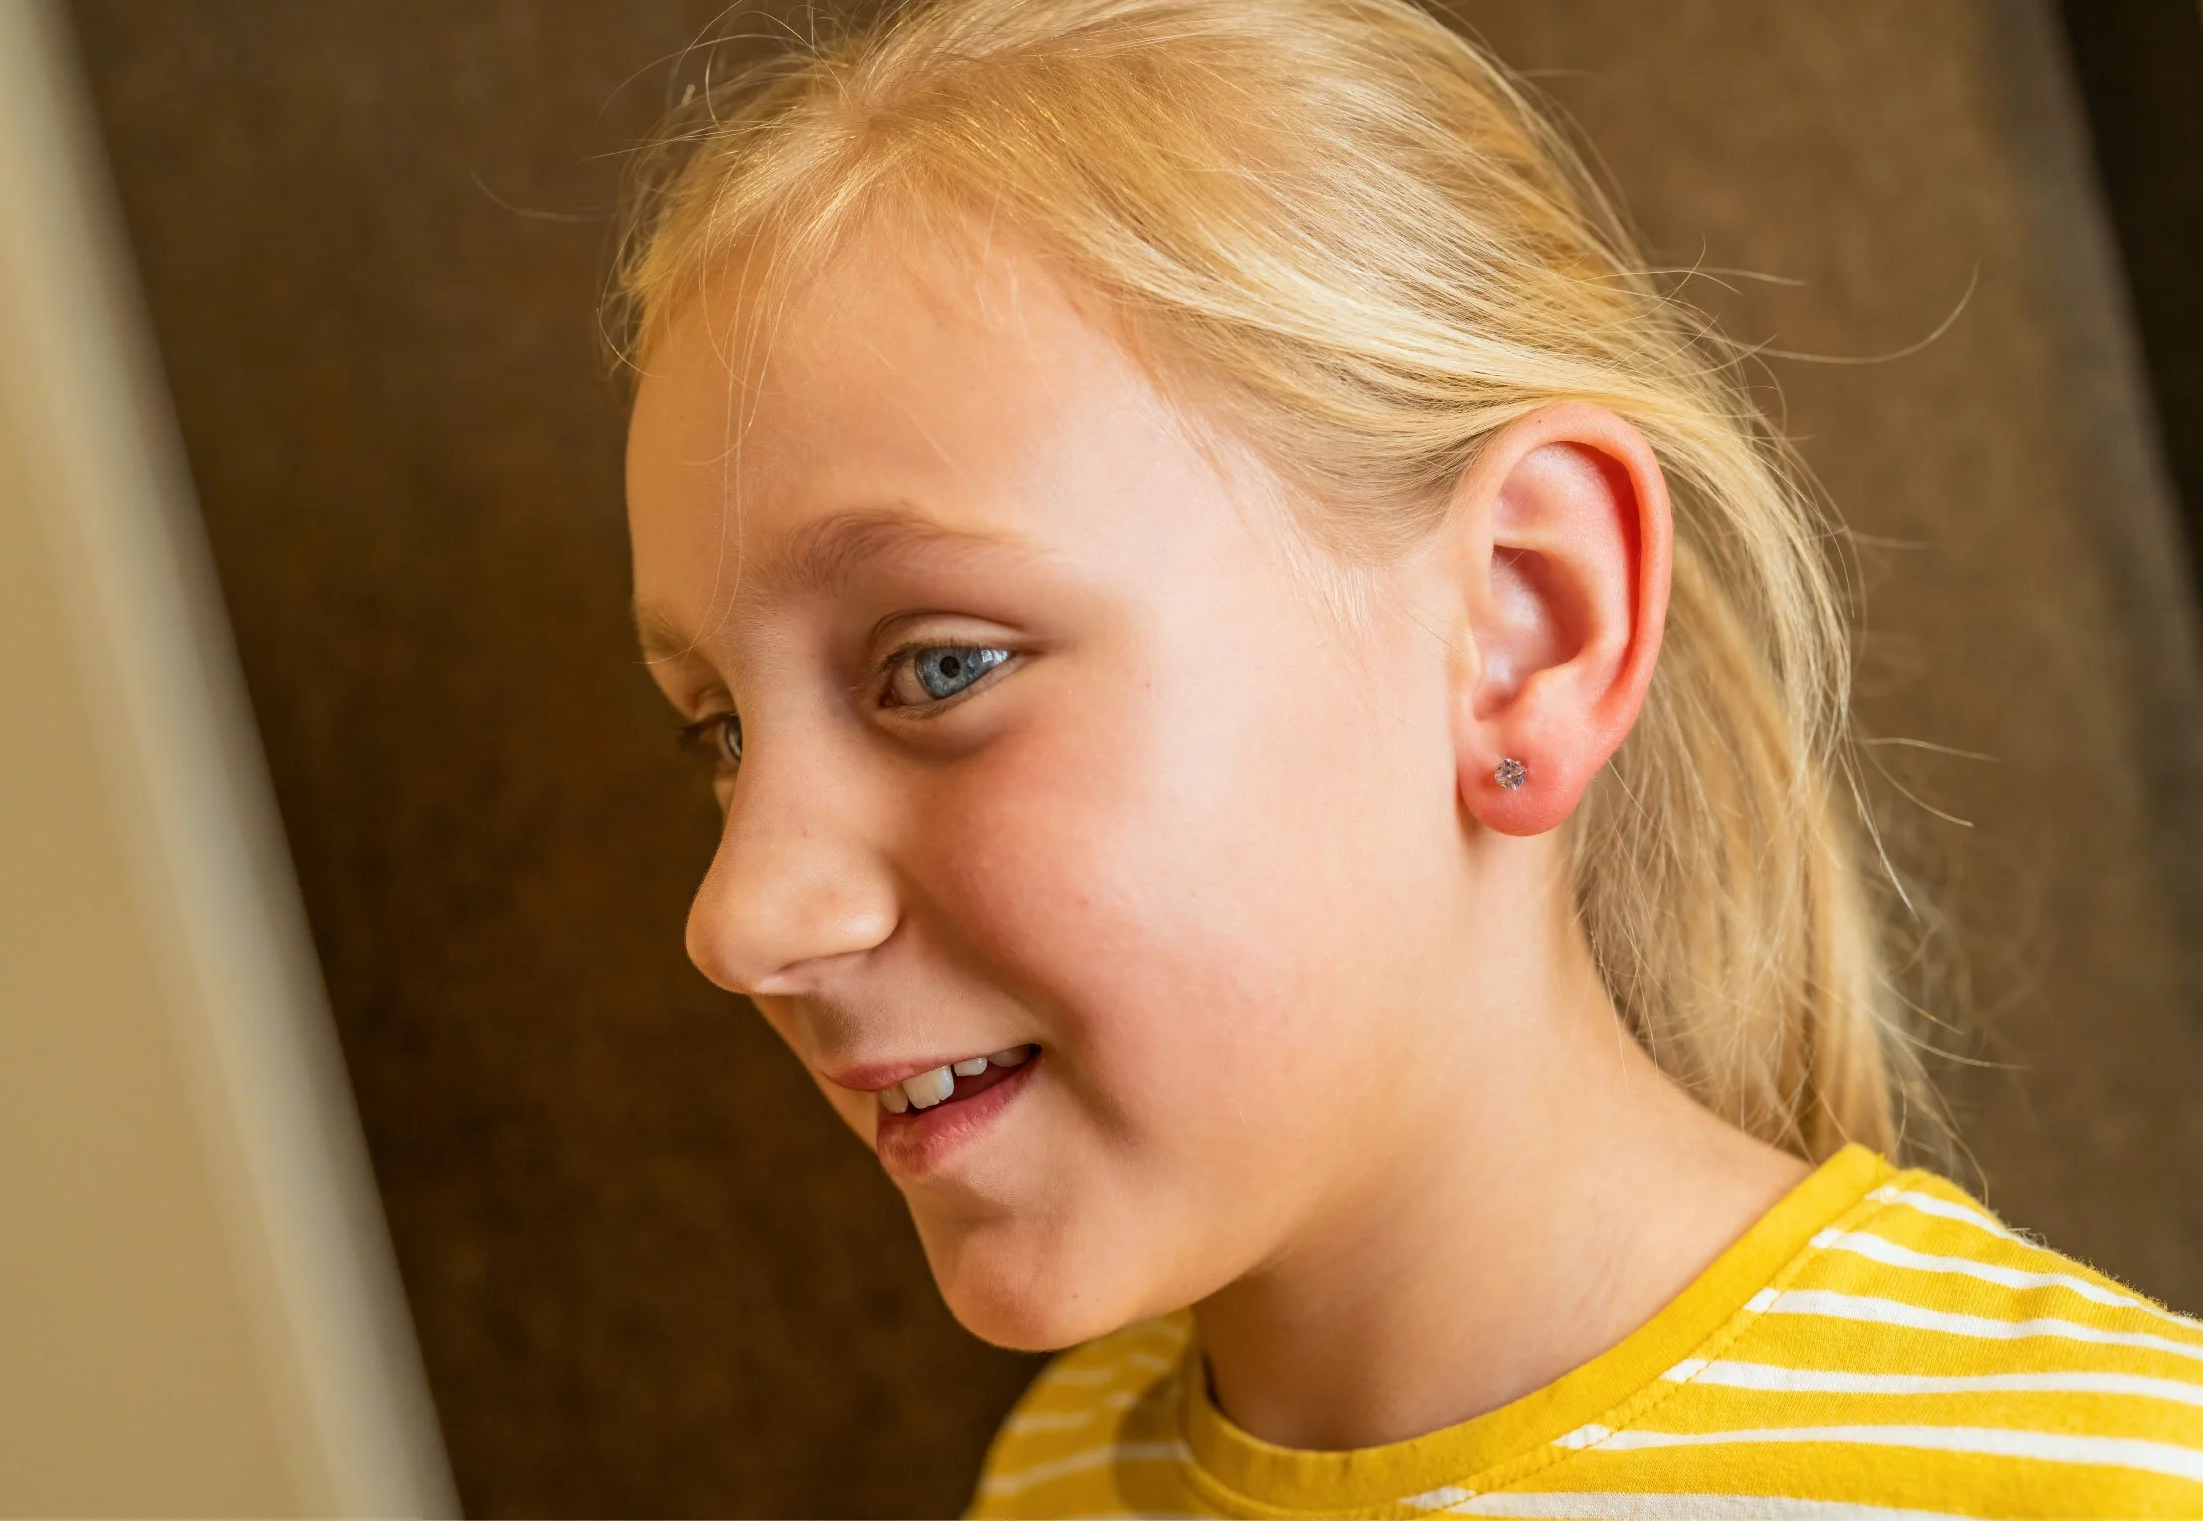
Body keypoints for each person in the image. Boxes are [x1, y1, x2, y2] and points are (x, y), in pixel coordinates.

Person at [616, 0, 2203, 1513]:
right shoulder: (1056, 1482)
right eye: (721, 734)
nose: (739, 918)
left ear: (1526, 628)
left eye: (941, 667)